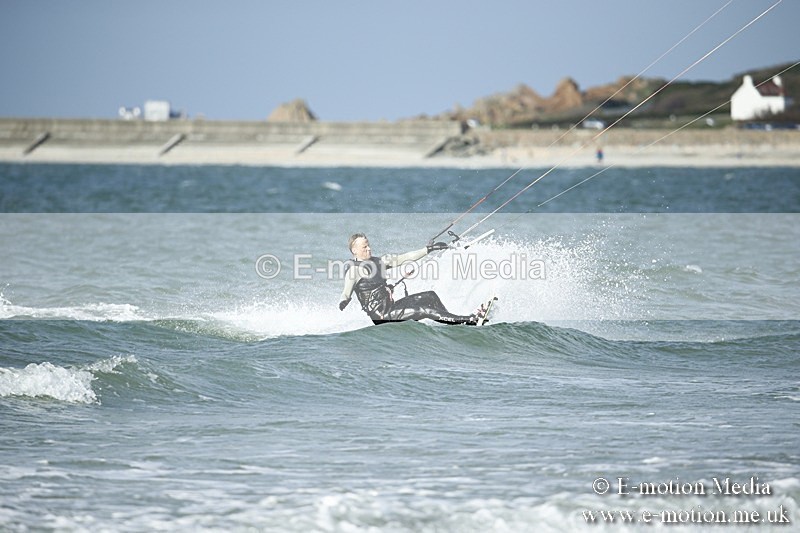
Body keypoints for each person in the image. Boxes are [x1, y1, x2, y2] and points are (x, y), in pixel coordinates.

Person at [338, 233, 488, 326]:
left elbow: (406, 257)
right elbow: (346, 292)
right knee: (424, 310)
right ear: (354, 250)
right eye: (364, 247)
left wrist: (428, 249)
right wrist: (343, 301)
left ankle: (453, 321)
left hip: (392, 307)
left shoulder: (380, 262)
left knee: (430, 295)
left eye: (368, 245)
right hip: (382, 316)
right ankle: (469, 320)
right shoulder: (354, 270)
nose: (369, 249)